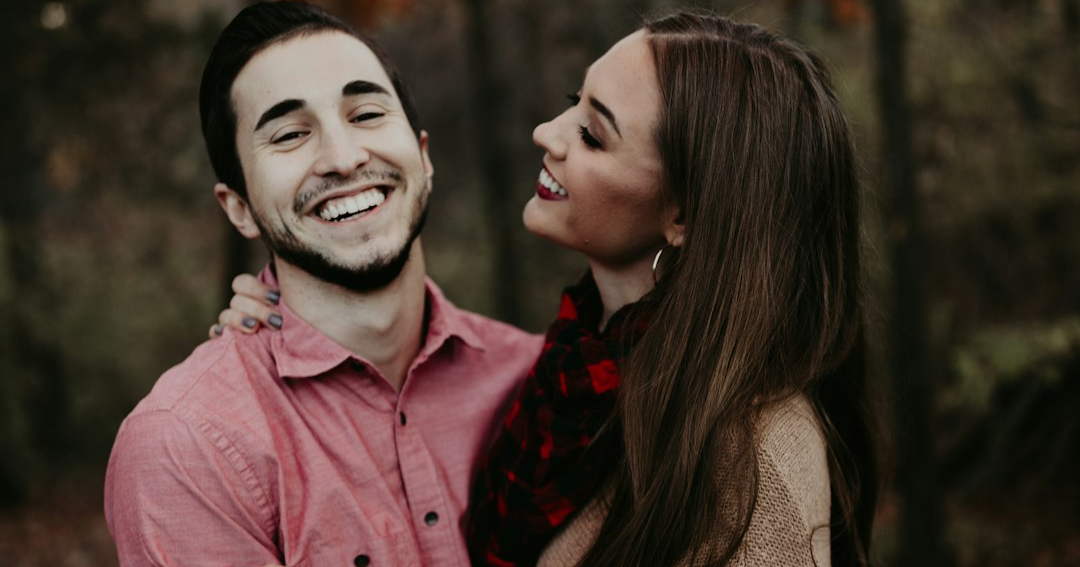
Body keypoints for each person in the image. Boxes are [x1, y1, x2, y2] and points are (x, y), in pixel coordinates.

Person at [224, 11, 879, 567]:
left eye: (592, 134)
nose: (548, 133)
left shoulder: (754, 462)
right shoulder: (571, 374)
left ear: (682, 215)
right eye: (574, 100)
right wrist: (293, 320)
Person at [103, 2, 541, 566]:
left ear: (424, 157)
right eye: (289, 134)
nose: (343, 158)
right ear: (239, 208)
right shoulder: (189, 444)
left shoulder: (536, 382)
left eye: (367, 114)